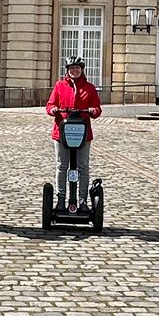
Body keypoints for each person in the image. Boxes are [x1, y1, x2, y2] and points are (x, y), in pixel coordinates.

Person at [44, 55, 103, 207]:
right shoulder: (60, 86)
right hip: (61, 132)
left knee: (83, 166)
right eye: (72, 68)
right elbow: (50, 105)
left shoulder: (89, 88)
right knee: (62, 166)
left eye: (77, 68)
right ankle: (61, 200)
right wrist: (54, 110)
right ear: (67, 70)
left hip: (83, 133)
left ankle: (82, 201)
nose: (74, 71)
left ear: (82, 70)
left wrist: (92, 111)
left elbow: (97, 109)